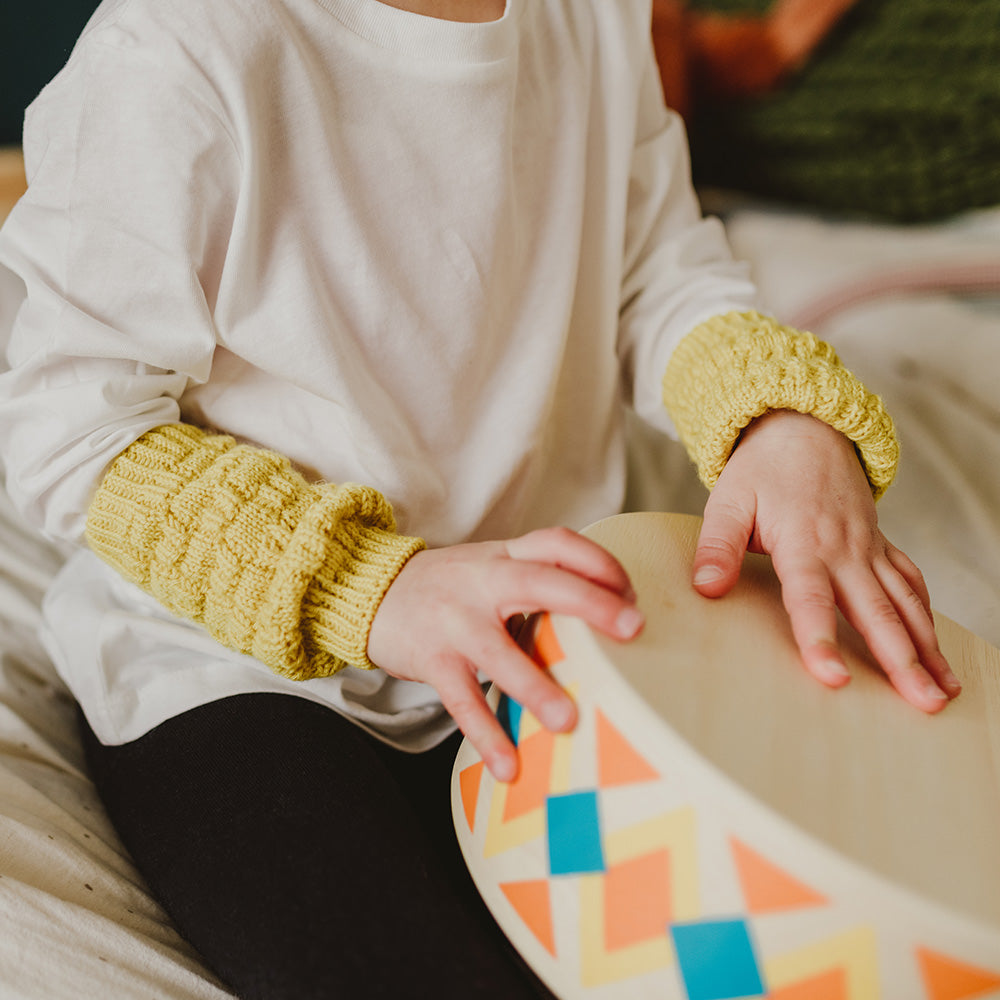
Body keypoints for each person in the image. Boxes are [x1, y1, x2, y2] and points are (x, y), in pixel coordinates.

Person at [0, 0, 960, 996]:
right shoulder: (178, 50)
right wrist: (373, 586)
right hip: (241, 668)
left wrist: (775, 417)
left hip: (535, 629)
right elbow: (73, 427)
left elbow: (655, 269)